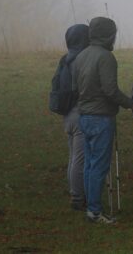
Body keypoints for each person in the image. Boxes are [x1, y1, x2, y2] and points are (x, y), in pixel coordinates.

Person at [72, 16, 133, 224]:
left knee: (89, 165)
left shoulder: (80, 56)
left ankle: (91, 207)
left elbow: (75, 87)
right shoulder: (106, 57)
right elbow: (110, 90)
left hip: (84, 116)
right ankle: (95, 211)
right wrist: (130, 103)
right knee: (98, 166)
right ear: (109, 35)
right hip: (101, 118)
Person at [54, 23, 89, 211]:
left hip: (67, 114)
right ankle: (77, 198)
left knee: (73, 157)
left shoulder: (65, 59)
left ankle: (74, 193)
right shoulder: (82, 60)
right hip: (79, 113)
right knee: (80, 159)